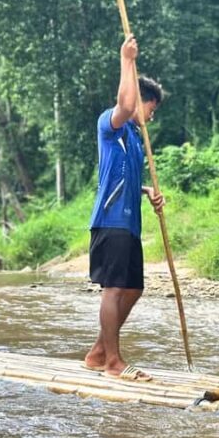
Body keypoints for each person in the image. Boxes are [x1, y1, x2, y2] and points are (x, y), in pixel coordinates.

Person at [84, 34, 166, 382]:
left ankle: (99, 351)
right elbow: (126, 102)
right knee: (114, 289)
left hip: (129, 225)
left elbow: (125, 177)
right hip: (111, 221)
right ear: (143, 101)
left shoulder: (134, 140)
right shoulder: (112, 125)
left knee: (133, 288)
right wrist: (126, 60)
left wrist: (148, 191)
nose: (151, 114)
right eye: (152, 108)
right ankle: (113, 362)